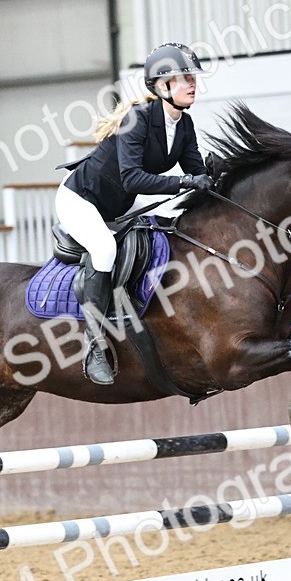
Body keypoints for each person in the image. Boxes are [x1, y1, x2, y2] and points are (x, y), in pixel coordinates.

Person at [55, 43, 214, 386]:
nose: (192, 83)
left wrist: (214, 176)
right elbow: (133, 178)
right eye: (183, 78)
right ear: (161, 86)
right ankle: (95, 343)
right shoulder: (136, 120)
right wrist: (187, 180)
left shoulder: (183, 125)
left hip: (119, 206)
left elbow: (196, 174)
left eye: (192, 77)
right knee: (105, 250)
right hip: (80, 199)